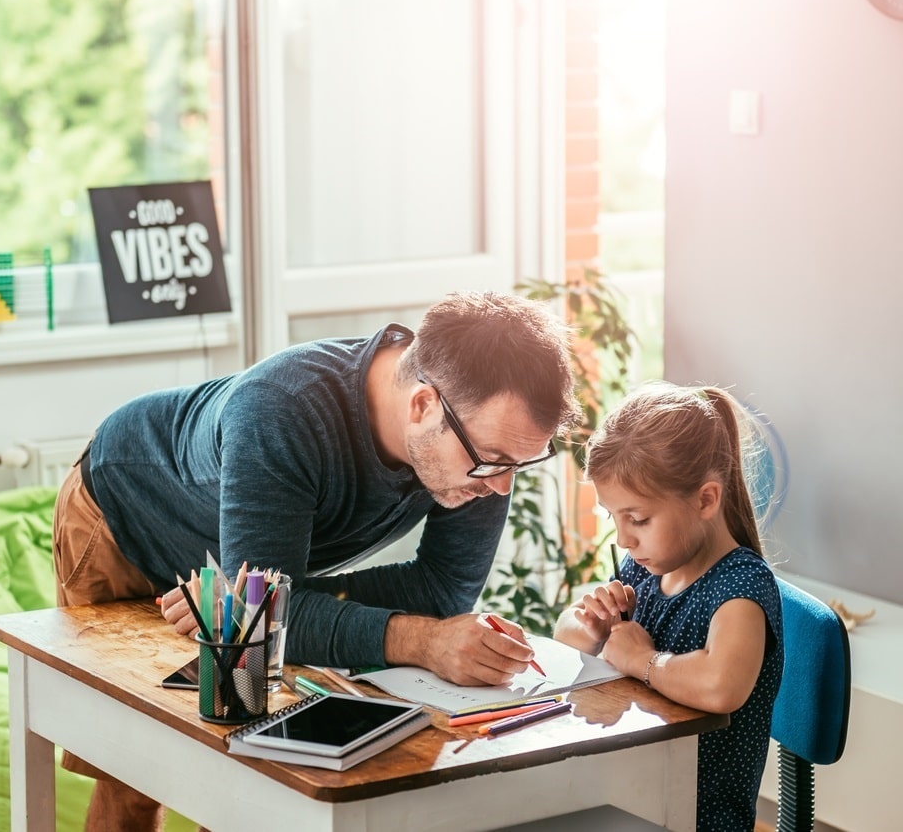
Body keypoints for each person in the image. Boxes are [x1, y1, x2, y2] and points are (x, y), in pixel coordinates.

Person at [53, 290, 581, 831]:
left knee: (246, 766)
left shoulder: (482, 443)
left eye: (520, 463)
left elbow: (441, 591)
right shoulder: (281, 409)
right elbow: (267, 618)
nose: (501, 486)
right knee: (134, 768)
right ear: (423, 405)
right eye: (492, 462)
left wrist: (253, 604)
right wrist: (420, 640)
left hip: (241, 563)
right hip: (126, 514)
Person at [553, 382, 783, 832]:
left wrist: (642, 659)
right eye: (613, 518)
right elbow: (563, 636)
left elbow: (721, 686)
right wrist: (592, 627)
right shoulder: (646, 566)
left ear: (705, 500)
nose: (623, 537)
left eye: (638, 519)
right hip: (635, 797)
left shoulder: (741, 586)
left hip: (695, 817)